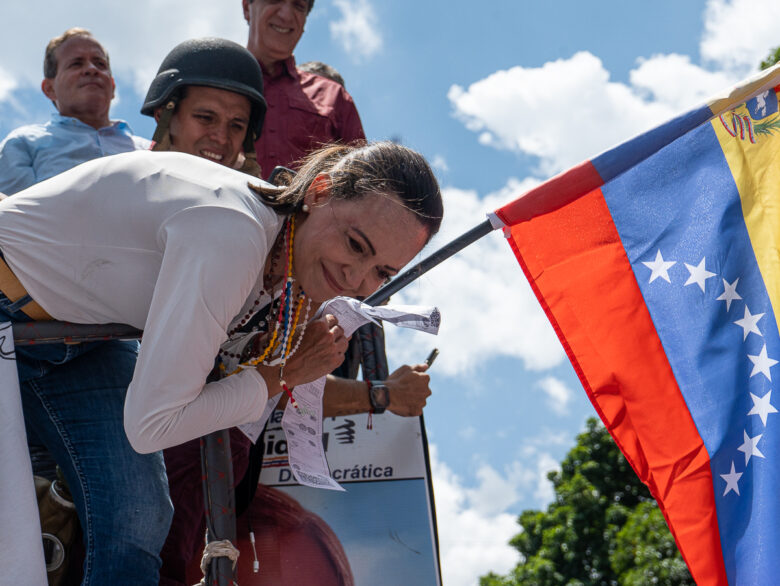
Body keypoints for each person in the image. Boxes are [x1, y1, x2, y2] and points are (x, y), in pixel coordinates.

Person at [0, 140, 443, 584]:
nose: (356, 279)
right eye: (355, 244)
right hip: (14, 314)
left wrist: (280, 366)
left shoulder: (283, 255)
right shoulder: (235, 232)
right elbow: (152, 425)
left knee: (140, 517)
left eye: (382, 273)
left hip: (84, 339)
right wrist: (283, 375)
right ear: (319, 192)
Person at [0, 27, 149, 195]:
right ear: (49, 88)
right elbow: (12, 216)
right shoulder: (23, 143)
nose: (92, 69)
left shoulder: (150, 150)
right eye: (76, 63)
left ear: (113, 86)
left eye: (100, 64)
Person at [242, 0, 365, 178]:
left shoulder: (334, 97)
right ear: (247, 7)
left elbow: (362, 184)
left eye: (299, 6)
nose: (285, 15)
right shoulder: (214, 83)